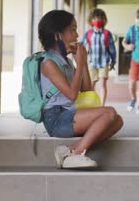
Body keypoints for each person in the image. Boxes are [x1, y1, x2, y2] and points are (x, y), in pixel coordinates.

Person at [38, 10, 123, 169]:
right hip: (55, 119)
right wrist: (81, 60)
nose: (77, 35)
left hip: (68, 114)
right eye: (72, 29)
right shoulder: (48, 63)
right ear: (58, 35)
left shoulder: (66, 62)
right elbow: (71, 94)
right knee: (109, 113)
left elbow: (86, 93)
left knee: (117, 121)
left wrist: (82, 64)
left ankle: (69, 150)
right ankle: (76, 154)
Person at [81, 8, 117, 106]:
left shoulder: (107, 34)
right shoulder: (88, 34)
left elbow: (112, 49)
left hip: (104, 62)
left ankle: (102, 105)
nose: (97, 20)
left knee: (102, 84)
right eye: (95, 18)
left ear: (103, 20)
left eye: (100, 18)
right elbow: (80, 46)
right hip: (92, 62)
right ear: (91, 20)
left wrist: (113, 62)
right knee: (92, 84)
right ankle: (93, 104)